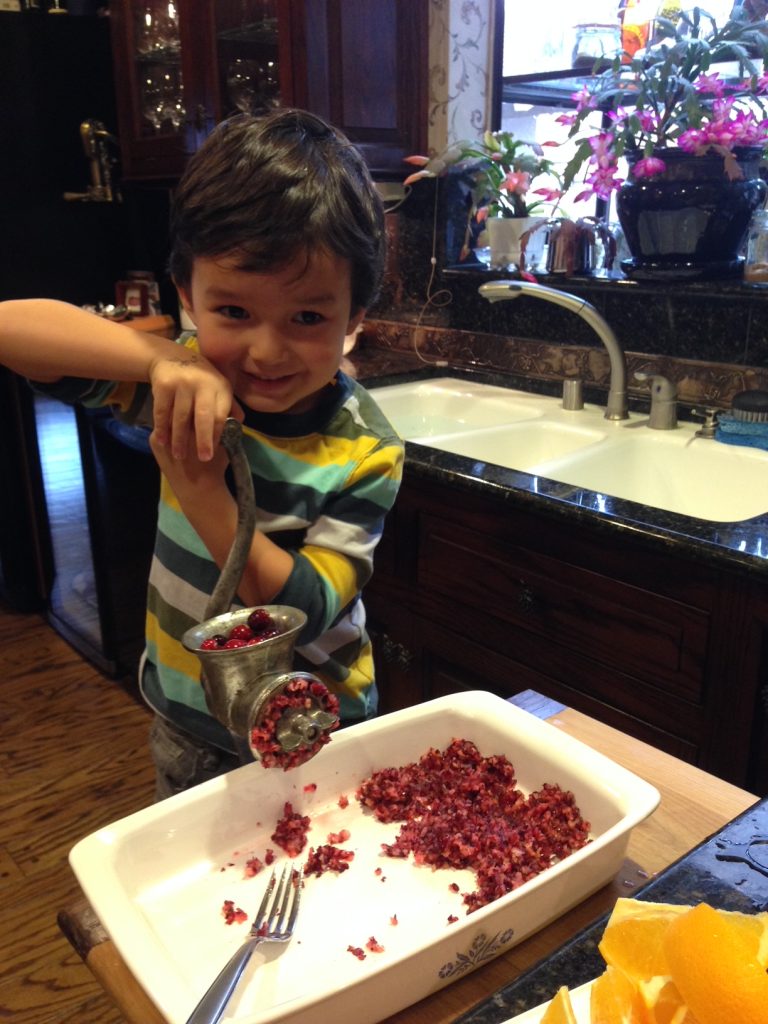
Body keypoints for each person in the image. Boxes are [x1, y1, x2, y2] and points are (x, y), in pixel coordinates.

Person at [0, 108, 404, 797]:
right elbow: (13, 331)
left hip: (313, 729)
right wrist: (162, 360)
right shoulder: (186, 385)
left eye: (308, 317)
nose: (267, 351)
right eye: (234, 312)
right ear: (188, 296)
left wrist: (201, 494)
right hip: (188, 718)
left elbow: (305, 607)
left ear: (355, 316)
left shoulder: (367, 448)